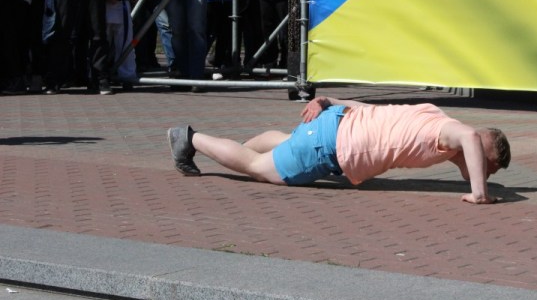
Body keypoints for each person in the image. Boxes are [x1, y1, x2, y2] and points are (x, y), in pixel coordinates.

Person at [167, 96, 511, 204]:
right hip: (329, 144)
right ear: (483, 150)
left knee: (286, 143)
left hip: (334, 124)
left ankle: (235, 151)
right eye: (489, 167)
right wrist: (479, 194)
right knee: (258, 169)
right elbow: (469, 137)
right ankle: (190, 139)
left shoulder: (433, 113)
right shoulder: (449, 132)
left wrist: (329, 100)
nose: (484, 171)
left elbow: (374, 109)